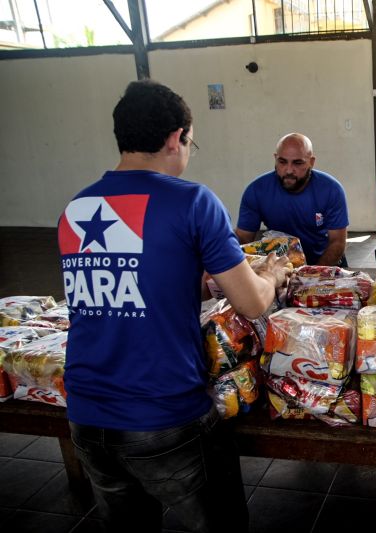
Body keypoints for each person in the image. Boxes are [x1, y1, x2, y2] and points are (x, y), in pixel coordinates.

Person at [57, 80, 291, 533]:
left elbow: (118, 289)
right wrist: (272, 274)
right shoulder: (192, 200)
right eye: (190, 141)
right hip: (162, 414)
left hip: (86, 414)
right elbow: (252, 304)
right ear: (174, 138)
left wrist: (199, 287)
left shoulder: (77, 207)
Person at [236, 133, 348, 266]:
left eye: (297, 163)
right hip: (280, 266)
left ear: (311, 162)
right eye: (282, 162)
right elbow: (243, 239)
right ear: (275, 159)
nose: (289, 170)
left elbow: (337, 242)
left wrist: (312, 275)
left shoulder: (331, 190)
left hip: (325, 263)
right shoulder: (256, 191)